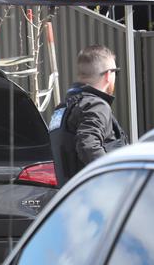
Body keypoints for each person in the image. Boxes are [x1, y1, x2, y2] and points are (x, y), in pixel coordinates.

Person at [49, 45, 128, 187]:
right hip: (95, 197)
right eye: (116, 72)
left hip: (72, 196)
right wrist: (112, 180)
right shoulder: (96, 106)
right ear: (108, 75)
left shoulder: (63, 108)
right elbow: (88, 145)